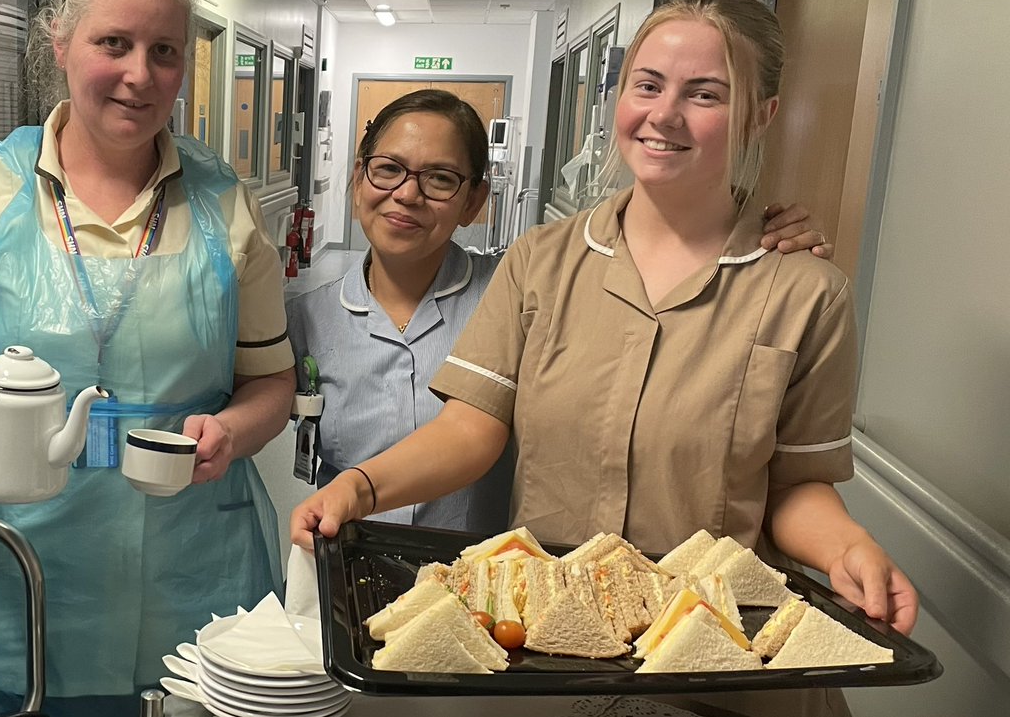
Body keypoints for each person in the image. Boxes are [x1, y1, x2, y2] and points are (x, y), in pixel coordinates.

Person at [292, 0, 916, 717]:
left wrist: (846, 549)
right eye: (647, 85)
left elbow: (797, 485)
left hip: (721, 670)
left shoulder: (805, 292)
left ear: (760, 116)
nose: (665, 114)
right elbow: (473, 428)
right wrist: (360, 488)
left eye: (706, 94)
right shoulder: (542, 264)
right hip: (556, 667)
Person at [0, 0, 295, 716]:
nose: (140, 75)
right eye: (115, 42)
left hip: (187, 562)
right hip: (13, 561)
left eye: (166, 51)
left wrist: (233, 433)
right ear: (61, 43)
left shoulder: (226, 209)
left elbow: (271, 380)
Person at [287, 88, 834, 538]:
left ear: (474, 202)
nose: (407, 194)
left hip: (483, 582)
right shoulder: (306, 319)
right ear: (358, 179)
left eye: (440, 179)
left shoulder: (525, 293)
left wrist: (738, 229)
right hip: (345, 557)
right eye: (388, 170)